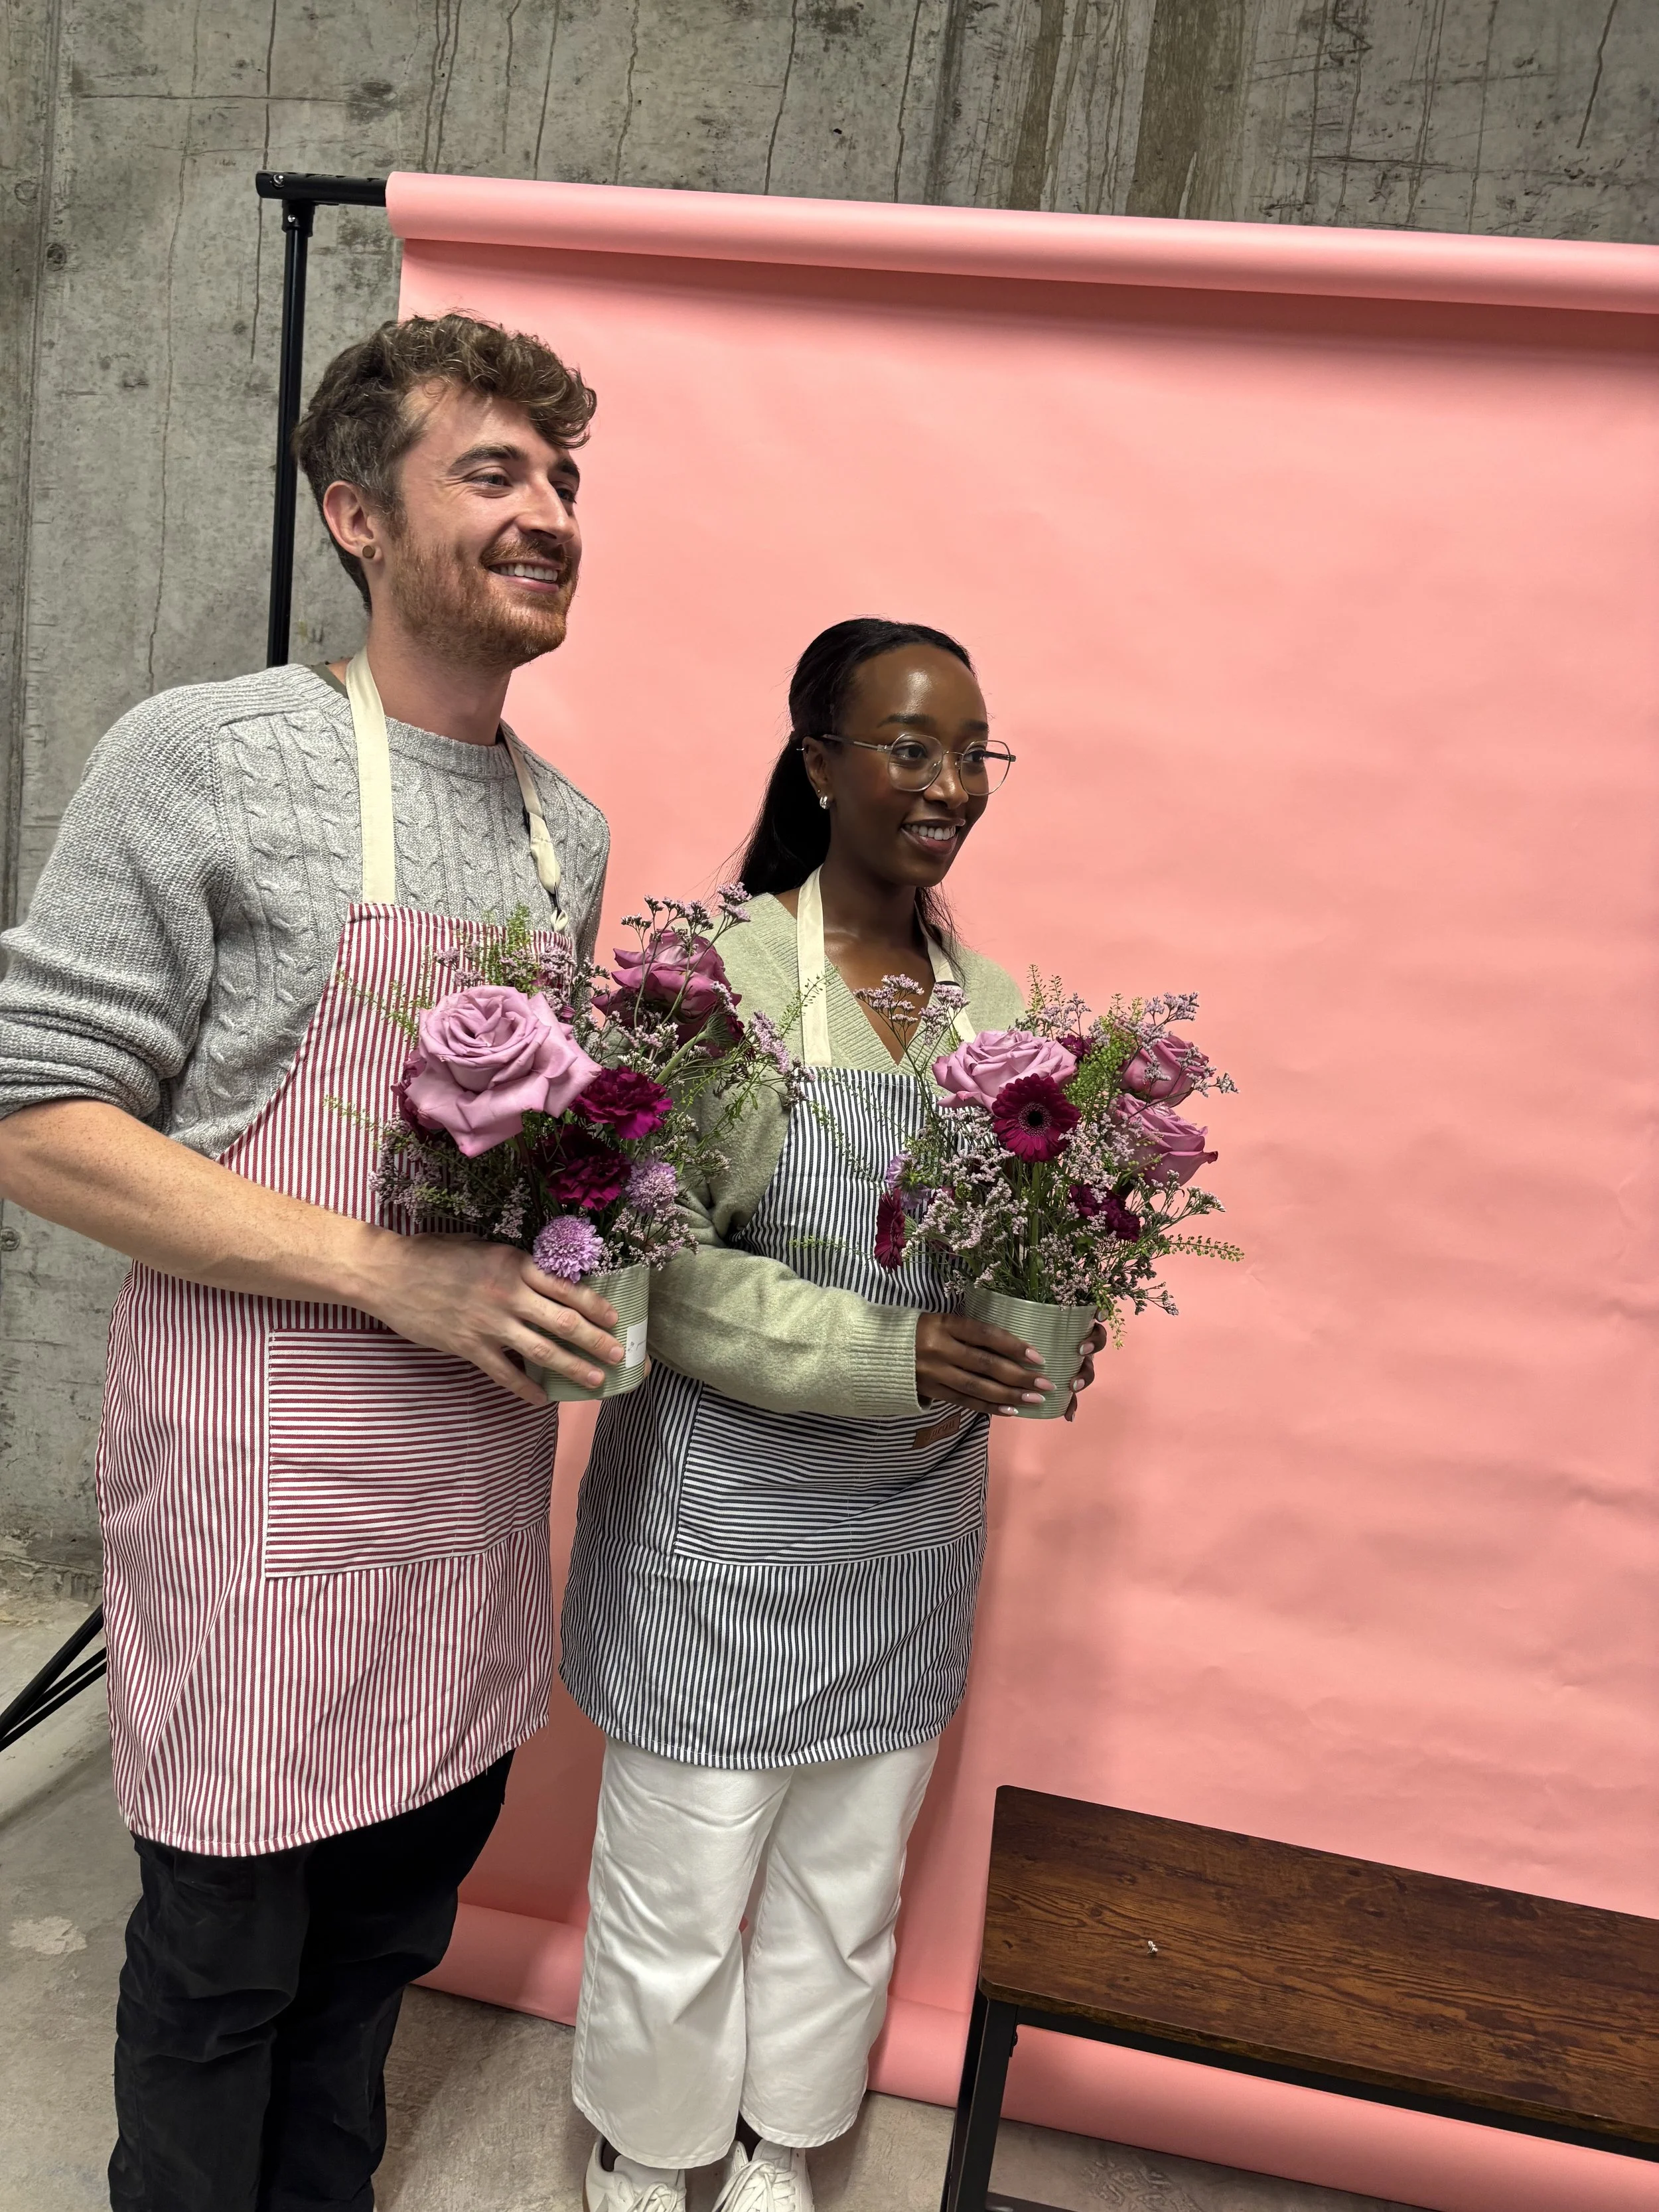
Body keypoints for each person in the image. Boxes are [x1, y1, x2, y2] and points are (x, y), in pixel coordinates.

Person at [0, 311, 628, 2212]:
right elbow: (35, 1116)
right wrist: (386, 1272)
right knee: (223, 1976)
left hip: (461, 1494)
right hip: (257, 1488)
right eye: (492, 472)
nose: (550, 514)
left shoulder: (563, 831)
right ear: (357, 514)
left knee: (377, 1950)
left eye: (564, 480)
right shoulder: (206, 758)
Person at [561, 619, 1105, 2212]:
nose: (949, 785)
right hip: (715, 1529)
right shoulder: (720, 985)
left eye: (973, 755)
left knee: (846, 1882)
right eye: (908, 748)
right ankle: (647, 2149)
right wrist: (892, 1353)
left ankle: (779, 2140)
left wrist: (1057, 1301)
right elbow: (656, 1274)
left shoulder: (994, 1011)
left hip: (907, 1531)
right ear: (816, 760)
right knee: (678, 1883)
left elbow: (1015, 1266)